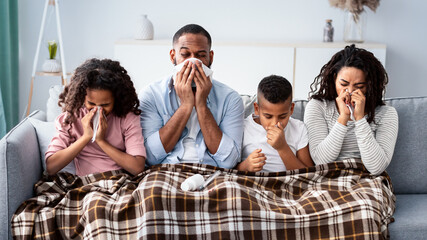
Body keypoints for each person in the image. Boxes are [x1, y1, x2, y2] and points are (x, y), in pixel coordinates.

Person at [139, 24, 244, 168]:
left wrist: (201, 105)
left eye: (201, 56)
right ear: (173, 56)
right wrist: (186, 106)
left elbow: (229, 162)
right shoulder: (151, 95)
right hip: (165, 170)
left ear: (210, 57)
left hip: (212, 171)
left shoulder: (230, 99)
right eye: (185, 55)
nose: (193, 63)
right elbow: (150, 157)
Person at [304, 44, 398, 175]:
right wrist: (343, 118)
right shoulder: (318, 106)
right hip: (328, 178)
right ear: (333, 78)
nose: (349, 91)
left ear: (370, 86)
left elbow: (376, 168)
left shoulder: (386, 113)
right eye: (343, 84)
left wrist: (360, 119)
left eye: (359, 86)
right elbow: (321, 160)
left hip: (367, 180)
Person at [45, 58, 146, 176]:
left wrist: (101, 141)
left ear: (116, 99)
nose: (97, 109)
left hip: (119, 178)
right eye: (91, 104)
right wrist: (86, 137)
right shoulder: (70, 119)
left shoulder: (127, 118)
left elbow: (137, 167)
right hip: (86, 181)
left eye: (105, 105)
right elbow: (51, 167)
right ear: (82, 98)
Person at [237, 75, 313, 172]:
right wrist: (245, 166)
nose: (275, 123)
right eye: (268, 116)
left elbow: (309, 174)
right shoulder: (243, 127)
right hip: (252, 183)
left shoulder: (299, 128)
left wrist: (282, 148)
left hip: (287, 183)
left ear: (291, 109)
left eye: (282, 116)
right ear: (257, 109)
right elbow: (228, 167)